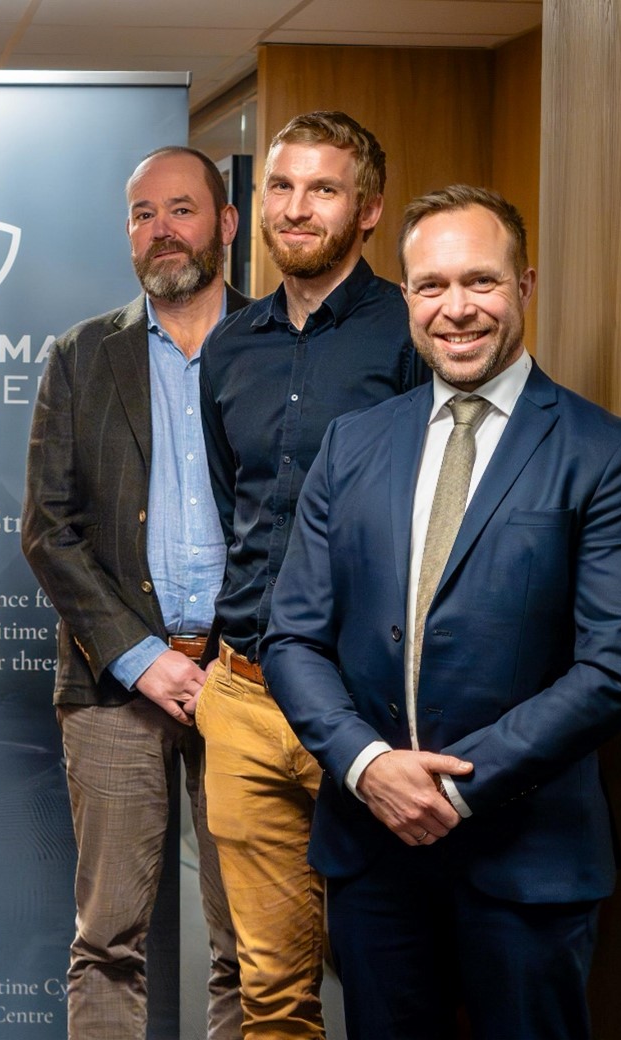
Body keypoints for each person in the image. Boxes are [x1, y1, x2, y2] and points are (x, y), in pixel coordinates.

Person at [261, 185, 621, 1040]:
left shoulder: (606, 453)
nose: (457, 308)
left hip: (527, 864)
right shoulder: (352, 444)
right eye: (432, 285)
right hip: (373, 858)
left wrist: (450, 790)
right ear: (407, 296)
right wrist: (368, 765)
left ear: (525, 286)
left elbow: (618, 668)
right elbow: (291, 636)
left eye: (482, 281)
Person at [196, 110, 427, 1037]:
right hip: (246, 700)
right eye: (282, 187)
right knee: (271, 993)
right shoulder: (229, 345)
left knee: (388, 981)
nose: (296, 208)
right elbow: (234, 508)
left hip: (367, 706)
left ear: (367, 210)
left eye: (323, 189)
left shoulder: (409, 334)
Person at [22, 146, 248, 1040]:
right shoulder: (81, 355)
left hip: (252, 680)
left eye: (181, 209)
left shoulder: (277, 347)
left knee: (251, 946)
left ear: (225, 224)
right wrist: (141, 657)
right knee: (108, 940)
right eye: (142, 214)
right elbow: (48, 528)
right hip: (115, 686)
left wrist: (244, 655)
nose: (162, 230)